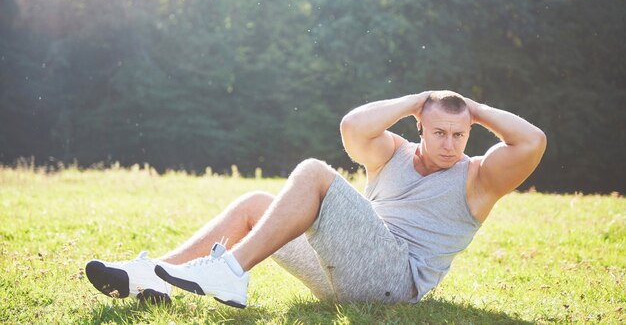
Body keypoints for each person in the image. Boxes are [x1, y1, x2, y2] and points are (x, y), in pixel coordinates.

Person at [85, 90, 546, 308]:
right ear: (420, 127)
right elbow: (351, 127)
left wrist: (473, 107)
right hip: (344, 271)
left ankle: (229, 272)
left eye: (460, 135)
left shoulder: (479, 178)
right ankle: (153, 276)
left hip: (394, 281)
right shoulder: (394, 154)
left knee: (313, 173)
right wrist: (417, 101)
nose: (450, 144)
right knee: (255, 204)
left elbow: (532, 142)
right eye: (439, 132)